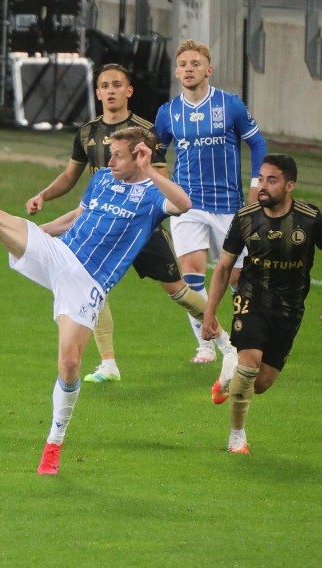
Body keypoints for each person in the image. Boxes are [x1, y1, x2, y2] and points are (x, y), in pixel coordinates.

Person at [0, 126, 197, 475]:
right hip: (59, 255)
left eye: (119, 155)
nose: (109, 160)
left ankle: (53, 444)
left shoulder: (153, 195)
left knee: (70, 363)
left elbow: (184, 204)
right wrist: (35, 234)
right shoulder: (104, 181)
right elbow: (78, 217)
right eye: (110, 153)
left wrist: (152, 170)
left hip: (87, 284)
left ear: (141, 156)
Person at [29, 63, 236, 383]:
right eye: (104, 85)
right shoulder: (87, 132)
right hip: (103, 227)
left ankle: (221, 341)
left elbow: (164, 184)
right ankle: (108, 363)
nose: (110, 90)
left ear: (129, 91)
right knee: (90, 286)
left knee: (178, 291)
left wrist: (144, 205)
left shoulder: (144, 133)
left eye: (117, 84)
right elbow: (72, 176)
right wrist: (43, 197)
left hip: (141, 227)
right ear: (97, 92)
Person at [155, 39, 268, 364]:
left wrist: (255, 185)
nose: (189, 69)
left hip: (229, 206)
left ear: (208, 69)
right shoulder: (168, 113)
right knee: (191, 275)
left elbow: (258, 144)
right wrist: (165, 188)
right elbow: (156, 153)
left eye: (195, 64)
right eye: (184, 65)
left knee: (235, 278)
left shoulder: (229, 105)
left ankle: (248, 335)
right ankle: (210, 344)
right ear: (177, 72)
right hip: (187, 206)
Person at [202, 154, 320, 453]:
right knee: (250, 362)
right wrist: (210, 314)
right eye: (261, 179)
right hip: (251, 298)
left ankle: (230, 370)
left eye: (272, 180)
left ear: (290, 185)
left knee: (261, 383)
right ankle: (237, 436)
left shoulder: (310, 218)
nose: (263, 186)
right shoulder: (246, 217)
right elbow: (224, 268)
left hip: (290, 308)